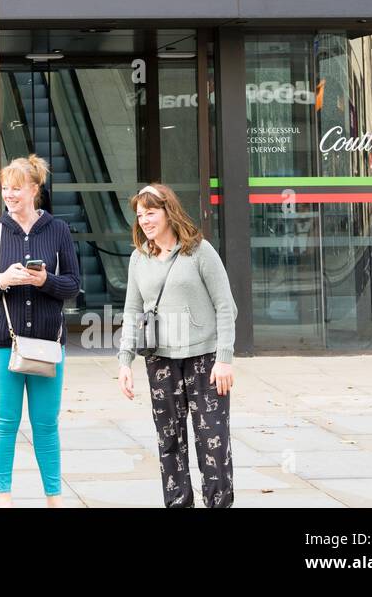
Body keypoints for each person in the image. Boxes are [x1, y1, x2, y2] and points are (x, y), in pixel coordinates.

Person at [0, 155, 81, 507]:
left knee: (46, 424)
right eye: (5, 188)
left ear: (35, 190)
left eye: (16, 188)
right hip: (2, 343)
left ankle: (54, 498)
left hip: (48, 343)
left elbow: (73, 286)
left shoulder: (58, 230)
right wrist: (2, 280)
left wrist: (45, 280)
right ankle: (4, 498)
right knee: (4, 422)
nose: (9, 195)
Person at [117, 183, 237, 508]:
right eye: (140, 215)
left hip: (205, 360)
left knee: (212, 441)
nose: (145, 220)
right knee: (169, 441)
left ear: (168, 211)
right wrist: (124, 361)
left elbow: (226, 306)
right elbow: (132, 311)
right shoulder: (138, 258)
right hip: (159, 361)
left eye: (151, 212)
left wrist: (224, 358)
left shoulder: (199, 251)